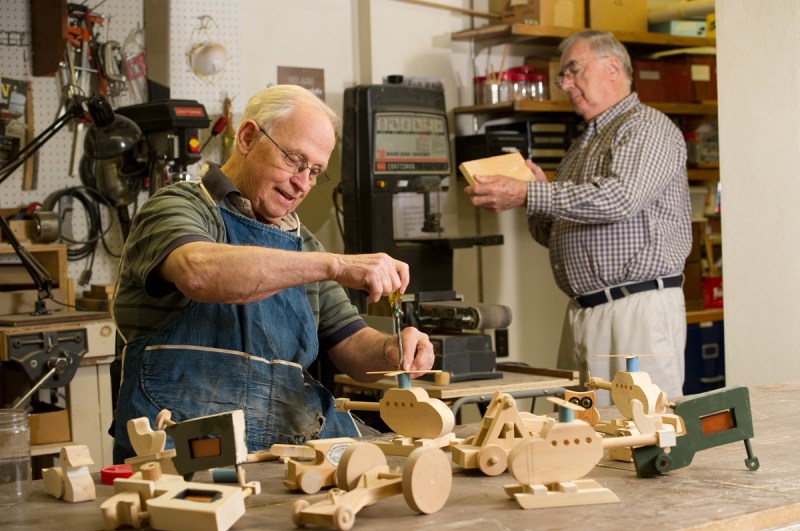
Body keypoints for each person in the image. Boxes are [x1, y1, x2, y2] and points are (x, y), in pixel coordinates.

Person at [111, 85, 434, 462]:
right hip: (186, 449)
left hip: (288, 449)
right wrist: (336, 264)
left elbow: (352, 348)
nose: (302, 183)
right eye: (295, 160)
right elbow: (199, 272)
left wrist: (391, 350)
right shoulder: (177, 207)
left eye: (315, 172)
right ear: (247, 138)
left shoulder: (303, 245)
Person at [464, 30, 692, 404]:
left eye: (573, 71)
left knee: (644, 431)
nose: (565, 84)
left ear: (612, 67)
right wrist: (533, 197)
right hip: (584, 311)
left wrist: (528, 192)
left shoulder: (646, 127)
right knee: (579, 436)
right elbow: (554, 233)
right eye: (562, 77)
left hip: (636, 309)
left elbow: (621, 198)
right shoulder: (582, 145)